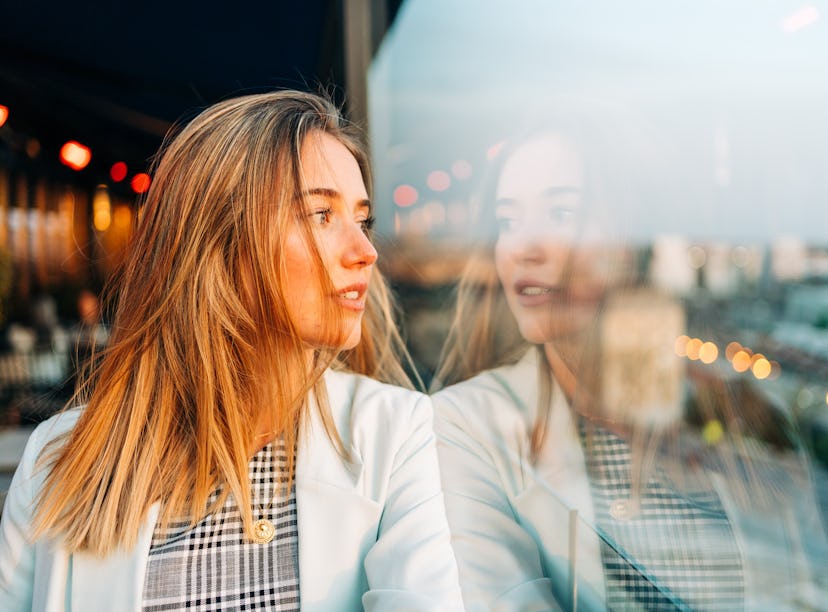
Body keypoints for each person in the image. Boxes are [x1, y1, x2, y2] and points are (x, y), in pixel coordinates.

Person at [0, 90, 463, 611]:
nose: (365, 252)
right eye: (321, 215)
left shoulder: (392, 433)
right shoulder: (54, 462)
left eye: (362, 220)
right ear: (217, 240)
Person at [432, 124, 828, 610]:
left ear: (631, 241)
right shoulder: (470, 427)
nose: (524, 247)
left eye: (561, 213)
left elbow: (802, 588)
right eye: (507, 221)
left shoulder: (734, 421)